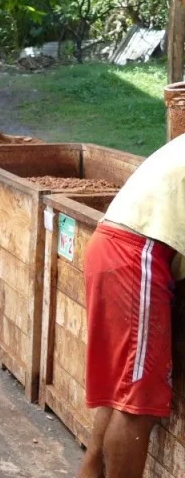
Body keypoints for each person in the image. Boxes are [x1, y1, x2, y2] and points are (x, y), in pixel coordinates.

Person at [75, 134, 185, 478]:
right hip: (138, 252)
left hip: (119, 244)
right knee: (139, 405)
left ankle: (91, 471)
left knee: (124, 390)